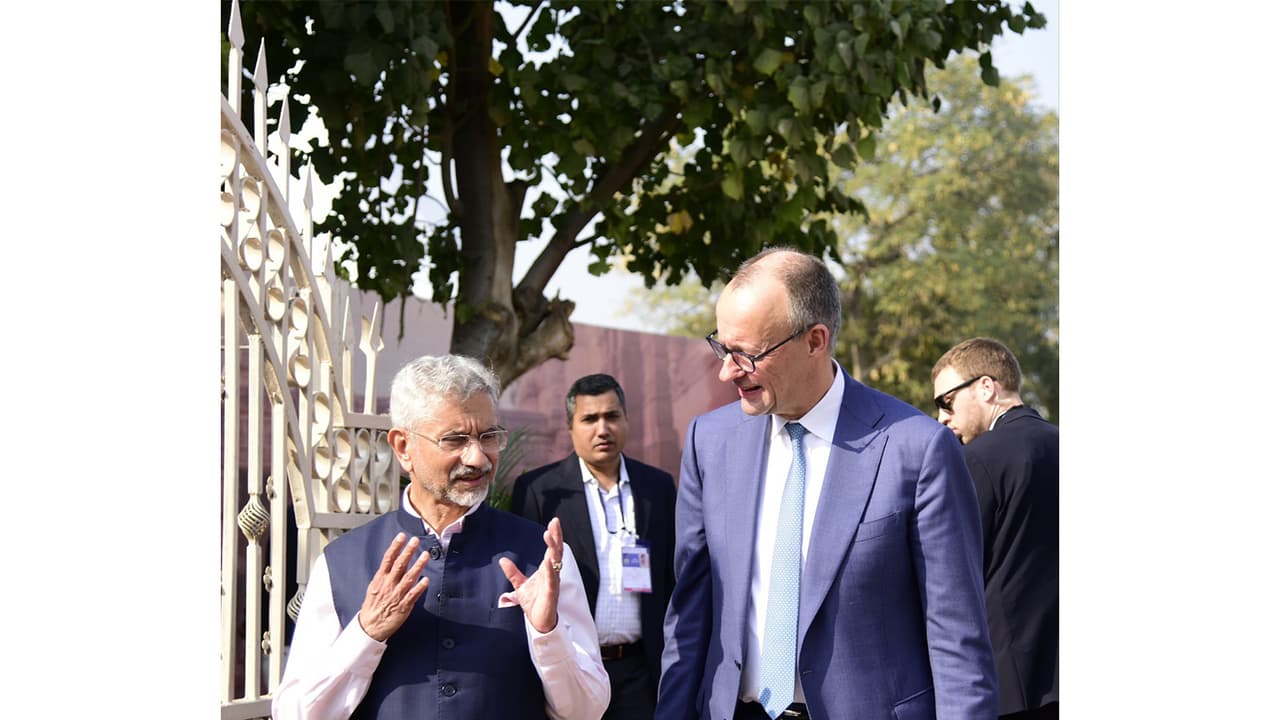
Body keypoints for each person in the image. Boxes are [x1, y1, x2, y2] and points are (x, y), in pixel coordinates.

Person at [657, 248, 996, 720]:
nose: (726, 371)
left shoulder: (917, 450)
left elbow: (957, 641)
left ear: (815, 340)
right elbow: (689, 617)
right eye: (721, 346)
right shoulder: (709, 442)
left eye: (746, 355)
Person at [273, 354, 610, 720]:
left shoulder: (542, 558)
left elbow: (587, 710)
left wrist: (548, 633)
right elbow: (295, 714)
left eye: (489, 437)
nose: (478, 458)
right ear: (403, 447)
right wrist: (366, 632)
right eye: (456, 439)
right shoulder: (343, 563)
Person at [511, 374, 677, 720]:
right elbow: (528, 588)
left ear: (626, 420)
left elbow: (672, 579)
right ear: (570, 427)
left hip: (641, 673)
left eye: (612, 416)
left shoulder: (657, 487)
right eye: (590, 419)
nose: (603, 429)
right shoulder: (539, 491)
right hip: (573, 669)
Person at [932, 338, 1059, 720]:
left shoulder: (976, 459)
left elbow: (951, 576)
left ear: (986, 387)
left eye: (946, 402)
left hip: (1009, 685)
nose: (942, 418)